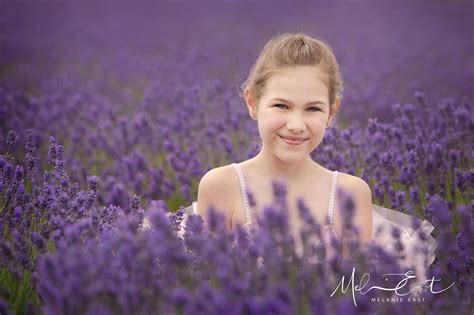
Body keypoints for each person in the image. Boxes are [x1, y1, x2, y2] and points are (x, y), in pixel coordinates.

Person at [148, 32, 436, 285]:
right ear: (252, 102)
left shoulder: (351, 193)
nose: (296, 124)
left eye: (312, 109)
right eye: (281, 105)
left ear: (332, 112)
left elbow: (354, 294)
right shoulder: (221, 185)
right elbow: (208, 286)